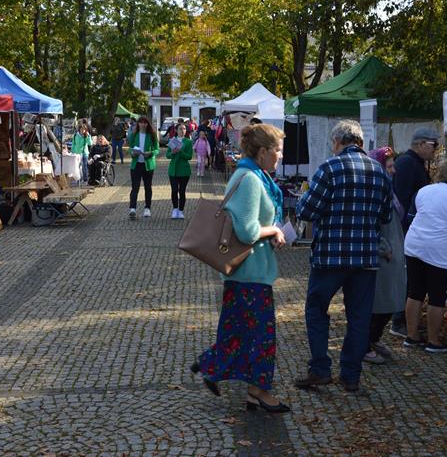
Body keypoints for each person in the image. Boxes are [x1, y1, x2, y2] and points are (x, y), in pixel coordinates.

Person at [194, 124, 289, 413]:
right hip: (251, 272)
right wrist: (273, 230)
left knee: (239, 332)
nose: (281, 155)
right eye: (277, 150)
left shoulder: (252, 174)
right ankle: (258, 391)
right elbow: (247, 232)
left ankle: (233, 380)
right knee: (261, 337)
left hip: (246, 272)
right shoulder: (250, 179)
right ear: (263, 152)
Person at [294, 120, 392, 393]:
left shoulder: (329, 168)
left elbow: (307, 211)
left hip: (330, 257)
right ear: (360, 143)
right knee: (359, 317)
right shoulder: (379, 172)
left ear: (337, 142)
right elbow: (385, 216)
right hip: (365, 259)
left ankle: (320, 369)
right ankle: (351, 376)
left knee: (316, 309)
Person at [403, 158, 447, 353]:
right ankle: (433, 341)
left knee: (415, 292)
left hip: (414, 246)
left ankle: (411, 336)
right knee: (437, 298)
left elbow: (409, 219)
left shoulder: (423, 191)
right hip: (440, 253)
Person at [389, 127, 439, 338]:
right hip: (406, 229)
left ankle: (401, 320)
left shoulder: (414, 163)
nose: (436, 150)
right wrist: (407, 228)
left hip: (409, 228)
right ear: (420, 144)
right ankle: (399, 321)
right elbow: (402, 201)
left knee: (409, 276)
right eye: (433, 145)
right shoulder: (409, 164)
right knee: (406, 276)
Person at [364, 147, 407, 365]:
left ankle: (373, 338)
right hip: (381, 254)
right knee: (378, 303)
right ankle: (364, 343)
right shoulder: (375, 191)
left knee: (391, 301)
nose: (393, 170)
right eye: (389, 166)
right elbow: (370, 223)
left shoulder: (387, 189)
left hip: (392, 251)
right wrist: (383, 247)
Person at [128, 116, 159, 219]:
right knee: (135, 187)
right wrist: (132, 153)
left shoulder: (152, 135)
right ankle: (132, 208)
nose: (143, 125)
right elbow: (130, 148)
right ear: (138, 124)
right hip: (136, 165)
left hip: (148, 165)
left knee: (148, 187)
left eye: (145, 123)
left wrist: (151, 153)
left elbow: (157, 149)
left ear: (147, 124)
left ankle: (147, 208)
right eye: (141, 123)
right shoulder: (134, 135)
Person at [167, 123, 193, 219]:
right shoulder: (172, 141)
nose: (183, 130)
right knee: (174, 190)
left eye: (184, 129)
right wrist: (172, 153)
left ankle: (181, 210)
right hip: (173, 170)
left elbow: (189, 156)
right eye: (180, 129)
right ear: (176, 130)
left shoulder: (188, 142)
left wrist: (180, 151)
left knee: (182, 191)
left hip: (184, 170)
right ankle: (175, 209)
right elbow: (167, 155)